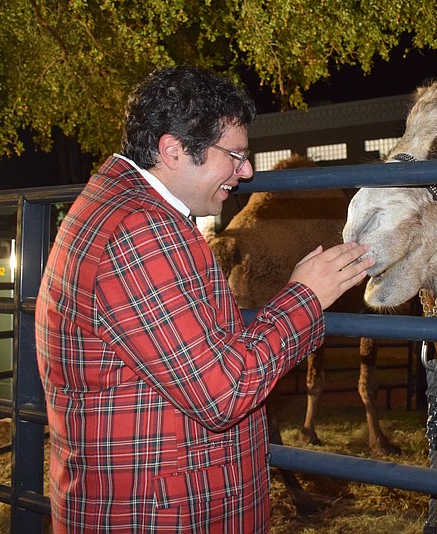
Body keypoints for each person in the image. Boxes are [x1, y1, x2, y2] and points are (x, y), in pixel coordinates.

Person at [35, 65, 373, 533]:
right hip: (162, 515)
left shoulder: (124, 209)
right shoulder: (138, 232)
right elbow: (224, 393)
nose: (247, 171)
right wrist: (305, 297)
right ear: (173, 150)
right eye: (234, 156)